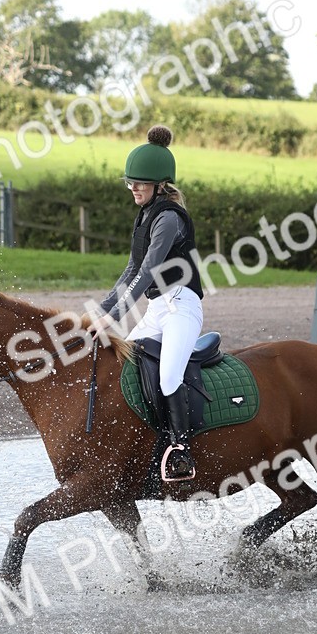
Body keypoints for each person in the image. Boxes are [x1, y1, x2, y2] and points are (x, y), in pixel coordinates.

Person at [88, 125, 204, 481]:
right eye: (130, 182)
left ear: (160, 185)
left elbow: (150, 271)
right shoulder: (145, 215)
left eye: (139, 183)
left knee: (168, 376)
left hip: (182, 307)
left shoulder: (169, 217)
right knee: (130, 370)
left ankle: (181, 450)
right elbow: (131, 271)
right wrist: (99, 312)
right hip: (157, 310)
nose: (133, 188)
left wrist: (116, 317)